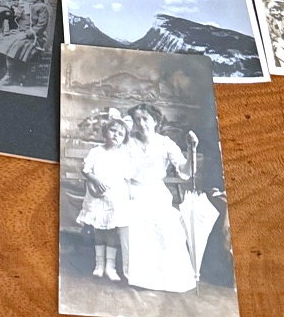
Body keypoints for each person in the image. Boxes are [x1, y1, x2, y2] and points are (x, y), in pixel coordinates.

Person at [119, 103, 199, 290]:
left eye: (145, 119)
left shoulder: (165, 143)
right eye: (137, 119)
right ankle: (138, 278)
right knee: (133, 224)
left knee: (167, 227)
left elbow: (185, 172)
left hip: (156, 193)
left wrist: (191, 150)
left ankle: (165, 276)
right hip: (131, 191)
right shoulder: (127, 142)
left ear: (155, 120)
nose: (141, 123)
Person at [76, 109, 133, 282]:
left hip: (115, 198)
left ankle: (111, 267)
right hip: (97, 196)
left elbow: (127, 178)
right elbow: (86, 170)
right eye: (113, 130)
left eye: (120, 134)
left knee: (112, 231)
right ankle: (99, 265)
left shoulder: (124, 155)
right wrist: (96, 180)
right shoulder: (96, 152)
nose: (116, 135)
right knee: (99, 230)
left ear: (124, 139)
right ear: (105, 131)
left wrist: (128, 196)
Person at [0, 0, 49, 86]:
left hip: (34, 37)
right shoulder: (21, 3)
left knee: (15, 44)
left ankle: (10, 76)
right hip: (18, 32)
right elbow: (4, 2)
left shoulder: (41, 7)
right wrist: (14, 7)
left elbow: (41, 25)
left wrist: (27, 33)